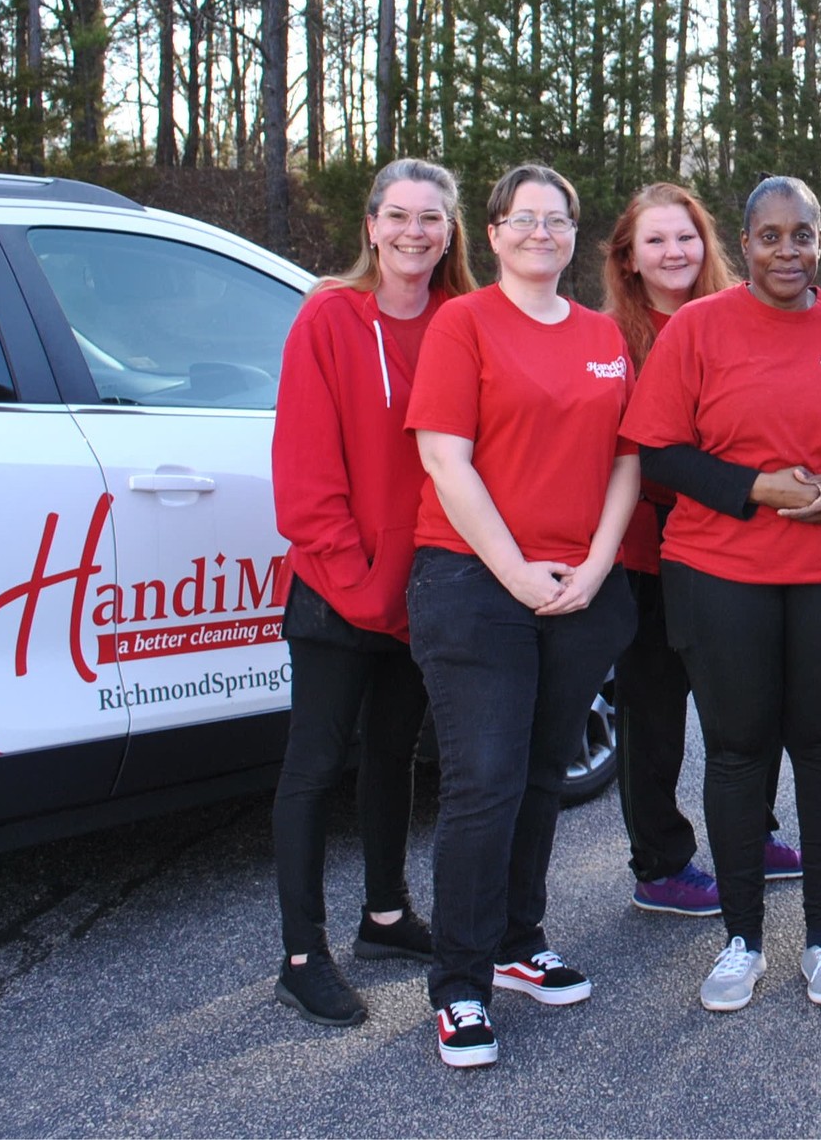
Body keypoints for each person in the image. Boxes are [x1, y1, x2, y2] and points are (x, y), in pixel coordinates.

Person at [624, 175, 821, 1012]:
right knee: (737, 751)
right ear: (745, 244)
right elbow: (658, 452)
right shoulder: (700, 327)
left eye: (802, 235)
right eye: (769, 236)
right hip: (719, 570)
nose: (787, 251)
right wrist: (755, 489)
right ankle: (740, 940)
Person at [406, 164, 641, 1067]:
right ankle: (459, 985)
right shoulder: (462, 324)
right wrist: (515, 572)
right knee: (486, 779)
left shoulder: (601, 337)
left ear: (574, 237)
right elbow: (446, 460)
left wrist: (594, 563)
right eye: (524, 219)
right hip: (475, 582)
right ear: (494, 233)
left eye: (558, 220)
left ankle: (515, 941)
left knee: (544, 770)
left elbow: (627, 458)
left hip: (579, 587)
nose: (541, 232)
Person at [269, 158, 475, 1027]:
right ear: (371, 225)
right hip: (336, 588)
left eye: (432, 218)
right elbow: (304, 471)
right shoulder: (327, 318)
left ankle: (386, 915)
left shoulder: (464, 322)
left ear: (453, 232)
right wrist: (356, 583)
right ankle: (301, 954)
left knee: (398, 757)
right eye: (399, 215)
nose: (414, 232)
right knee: (314, 768)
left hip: (421, 583)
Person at [598, 185, 800, 919]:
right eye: (654, 241)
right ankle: (661, 862)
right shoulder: (609, 335)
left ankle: (755, 831)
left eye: (684, 237)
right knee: (653, 713)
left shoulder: (746, 316)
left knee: (747, 703)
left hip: (742, 546)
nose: (673, 253)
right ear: (628, 255)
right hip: (647, 553)